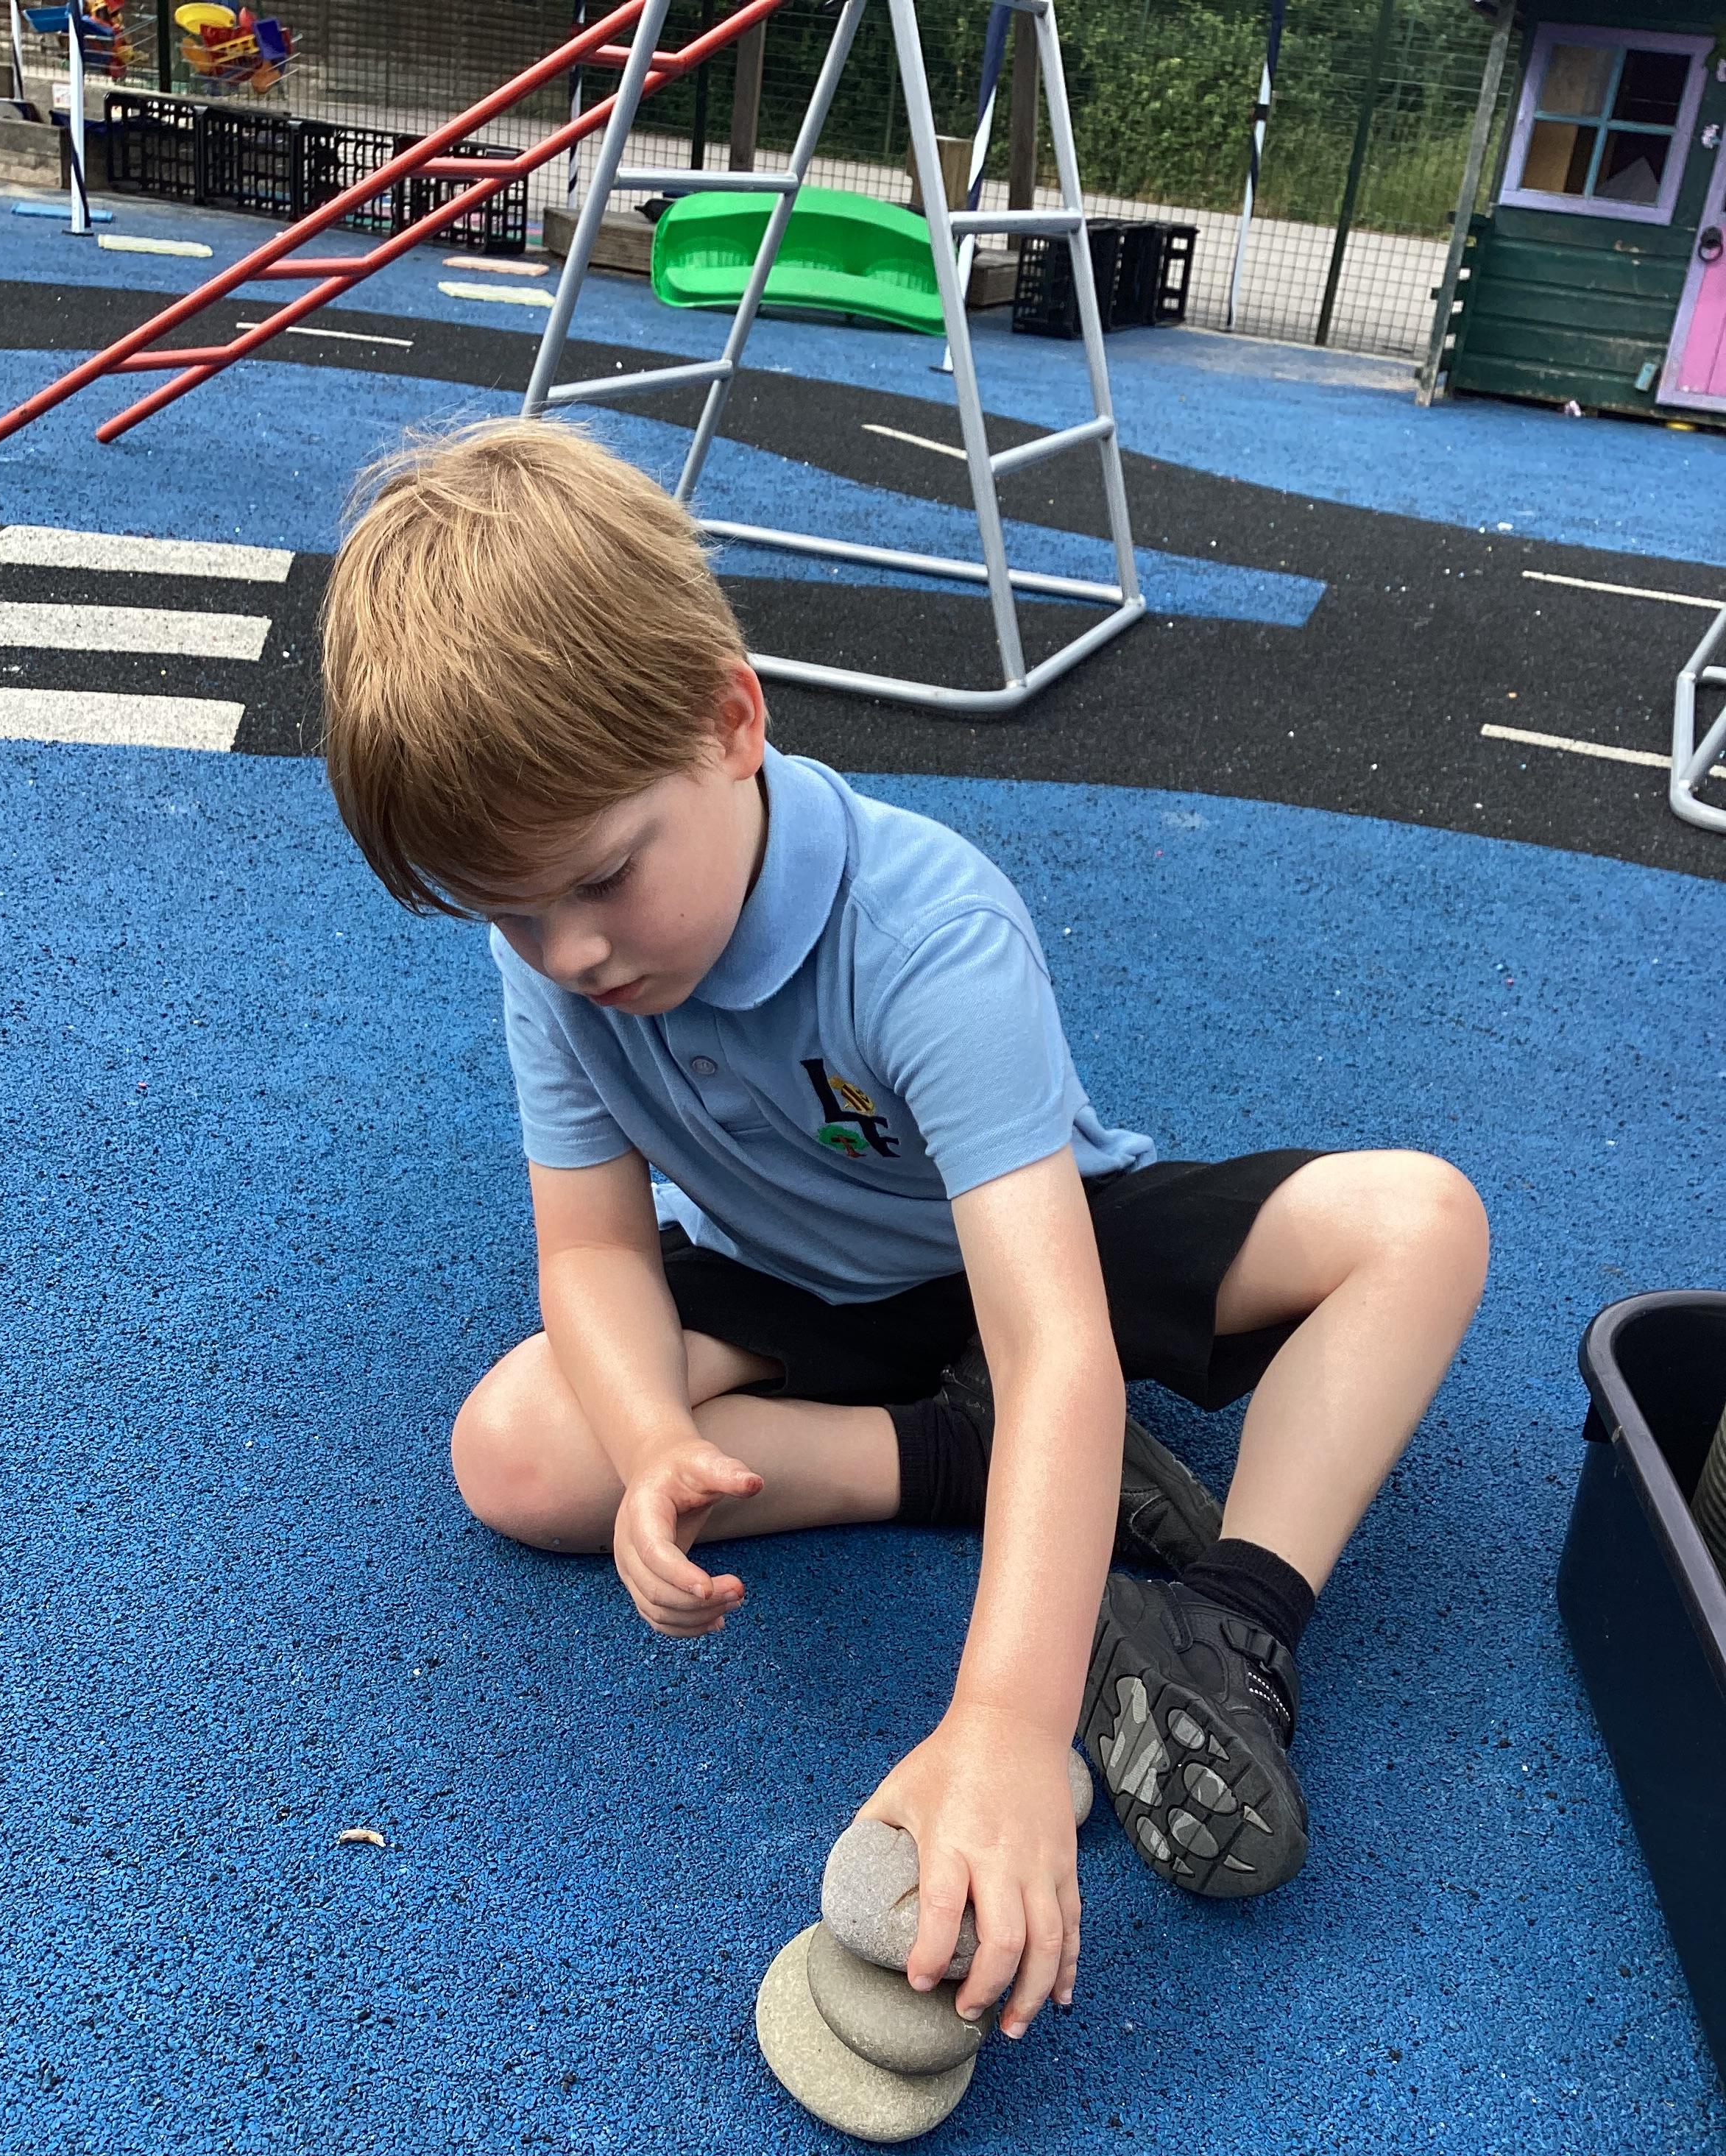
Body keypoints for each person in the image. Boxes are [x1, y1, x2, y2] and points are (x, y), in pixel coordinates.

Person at [321, 416, 1490, 2050]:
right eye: (512, 913)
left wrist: (1005, 1723)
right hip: (793, 1278)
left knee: (1420, 1224)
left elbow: (1057, 1337)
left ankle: (1230, 1611)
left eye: (601, 881)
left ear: (732, 720)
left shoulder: (926, 934)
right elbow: (590, 1251)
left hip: (1032, 1249)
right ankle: (957, 1455)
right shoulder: (556, 955)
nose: (571, 954)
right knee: (516, 1455)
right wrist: (652, 1443)